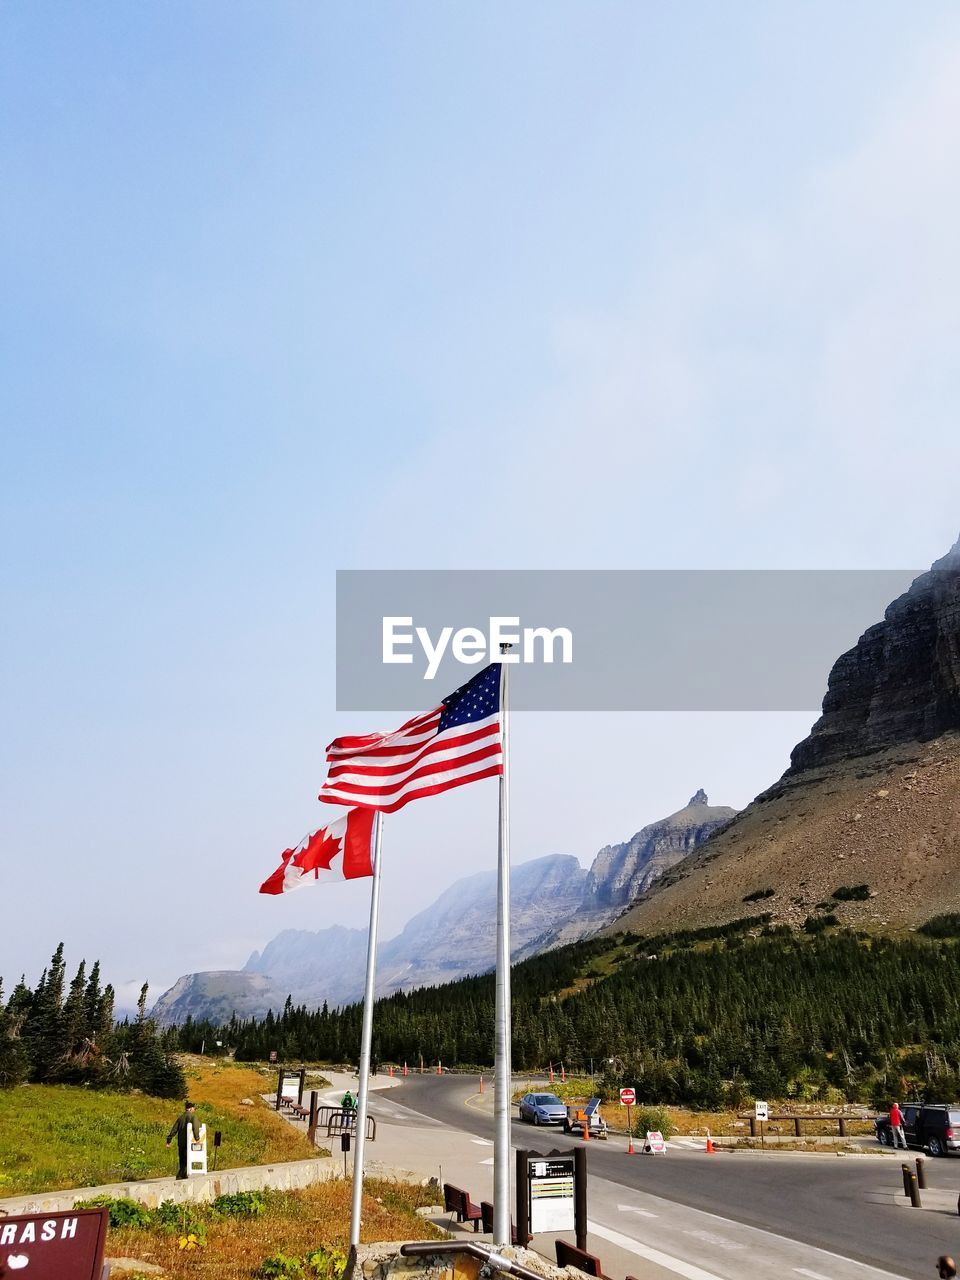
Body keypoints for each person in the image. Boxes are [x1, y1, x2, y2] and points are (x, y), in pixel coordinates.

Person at [166, 1101, 200, 1179]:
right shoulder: (193, 1117)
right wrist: (197, 1138)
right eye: (194, 1108)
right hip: (188, 1142)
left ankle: (184, 1174)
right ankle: (180, 1174)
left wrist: (169, 1140)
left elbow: (174, 1130)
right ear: (191, 1108)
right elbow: (195, 1128)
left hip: (180, 1142)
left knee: (182, 1159)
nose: (194, 1110)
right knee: (187, 1158)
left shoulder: (180, 1117)